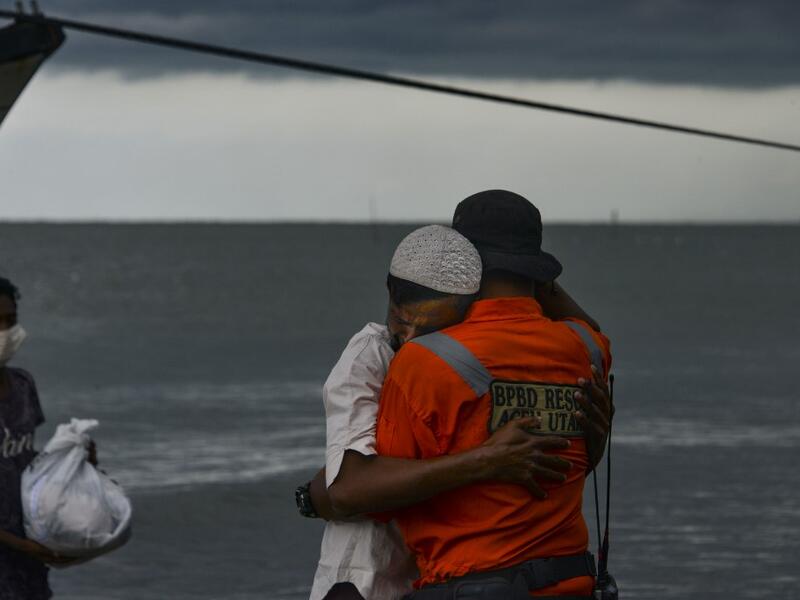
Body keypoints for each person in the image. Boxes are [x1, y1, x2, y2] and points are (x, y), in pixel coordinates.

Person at [302, 225, 577, 600]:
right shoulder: (369, 357)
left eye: (429, 330)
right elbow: (345, 491)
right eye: (403, 321)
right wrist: (486, 461)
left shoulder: (456, 361)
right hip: (362, 576)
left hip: (430, 578)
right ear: (390, 297)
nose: (411, 339)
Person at [373, 190, 613, 599]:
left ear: (461, 264)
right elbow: (587, 325)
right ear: (538, 273)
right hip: (573, 583)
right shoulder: (588, 350)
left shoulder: (422, 362)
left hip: (470, 586)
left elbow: (379, 502)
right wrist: (541, 281)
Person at [0, 276, 70, 600]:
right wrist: (22, 544)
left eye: (10, 321)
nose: (5, 331)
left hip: (28, 562)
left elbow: (25, 457)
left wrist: (73, 462)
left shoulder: (23, 385)